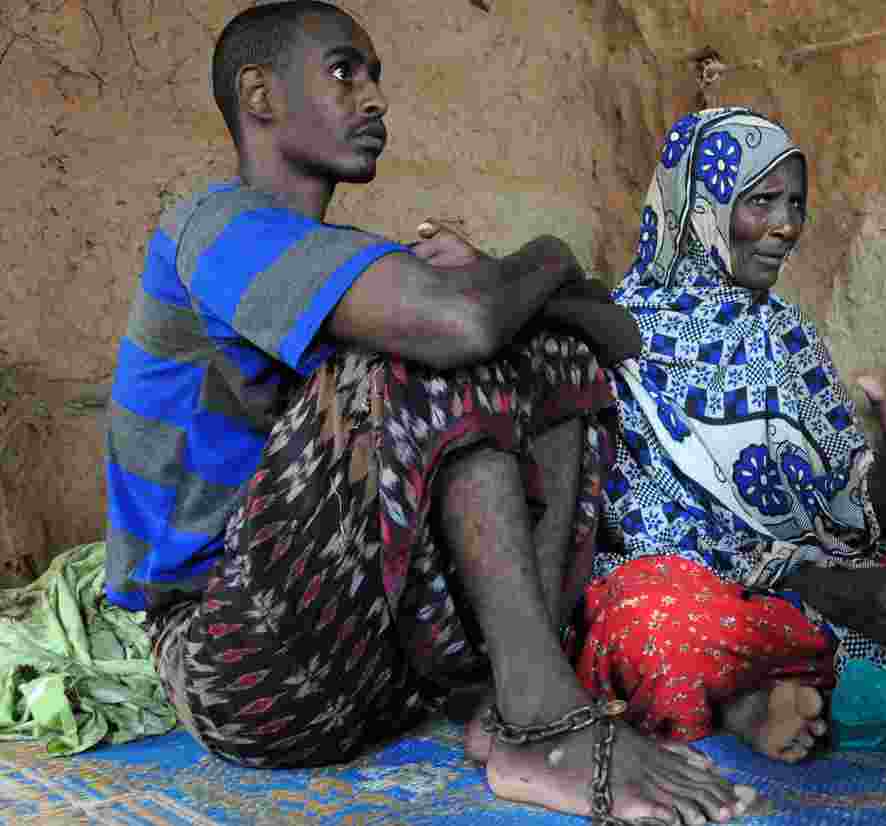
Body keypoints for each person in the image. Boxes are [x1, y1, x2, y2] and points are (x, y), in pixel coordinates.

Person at [103, 4, 757, 824]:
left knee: (549, 351)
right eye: (346, 71)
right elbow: (459, 328)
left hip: (372, 664)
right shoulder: (211, 227)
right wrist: (546, 256)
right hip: (236, 669)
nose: (374, 98)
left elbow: (614, 339)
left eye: (375, 77)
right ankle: (543, 722)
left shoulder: (339, 266)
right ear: (259, 94)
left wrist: (510, 283)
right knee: (440, 345)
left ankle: (518, 685)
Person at [573, 107, 886, 764]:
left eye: (795, 203)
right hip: (730, 611)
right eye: (761, 201)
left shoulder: (786, 333)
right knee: (645, 626)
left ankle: (797, 695)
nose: (786, 225)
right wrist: (813, 585)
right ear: (698, 206)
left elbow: (860, 526)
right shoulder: (618, 343)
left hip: (849, 595)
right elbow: (647, 541)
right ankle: (801, 692)